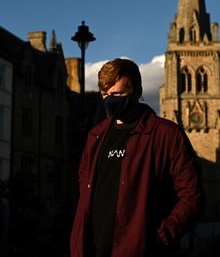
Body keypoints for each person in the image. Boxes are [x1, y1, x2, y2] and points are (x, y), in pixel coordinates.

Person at [70, 58, 202, 257]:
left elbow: (192, 197)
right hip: (90, 249)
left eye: (117, 94)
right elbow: (84, 183)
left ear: (137, 92)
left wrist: (159, 238)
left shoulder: (166, 134)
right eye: (105, 94)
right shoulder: (95, 136)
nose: (109, 101)